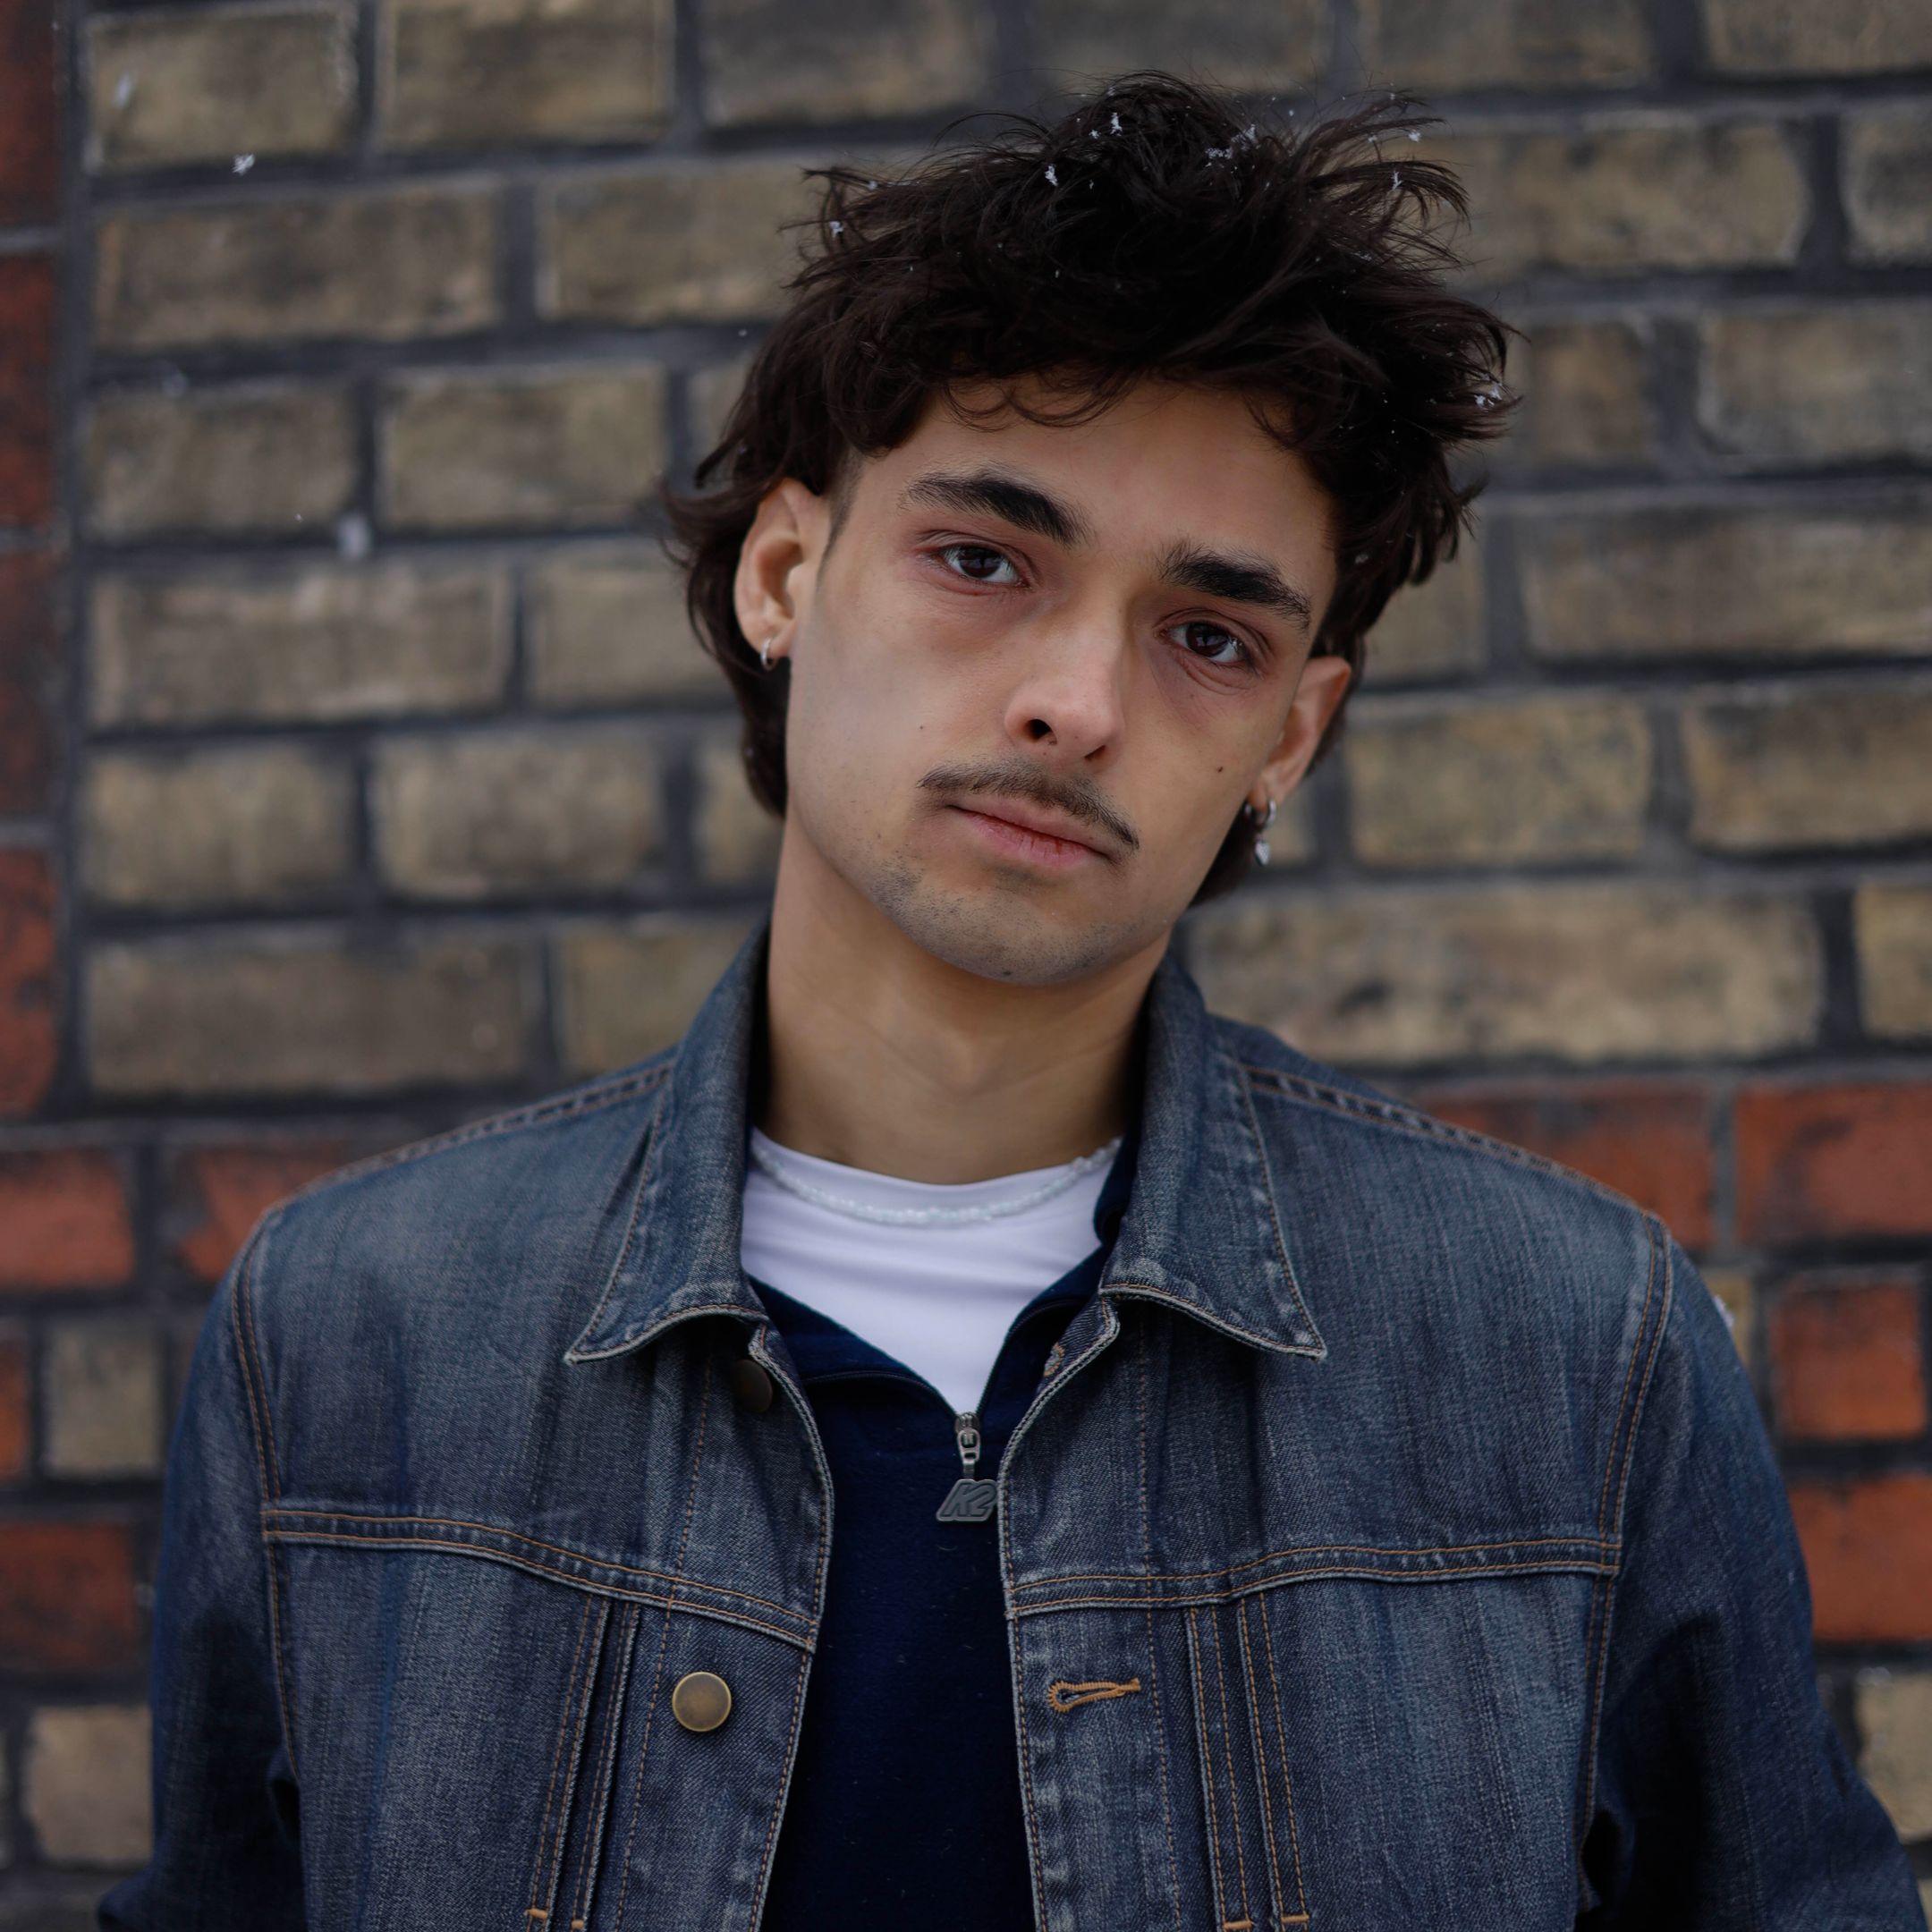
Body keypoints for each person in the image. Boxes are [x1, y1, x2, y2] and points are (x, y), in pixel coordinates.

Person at [104, 72, 1923, 1931]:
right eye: (984, 560)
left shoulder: (1573, 1354)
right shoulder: (352, 1338)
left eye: (1207, 635)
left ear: (1291, 737)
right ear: (787, 573)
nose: (1078, 702)